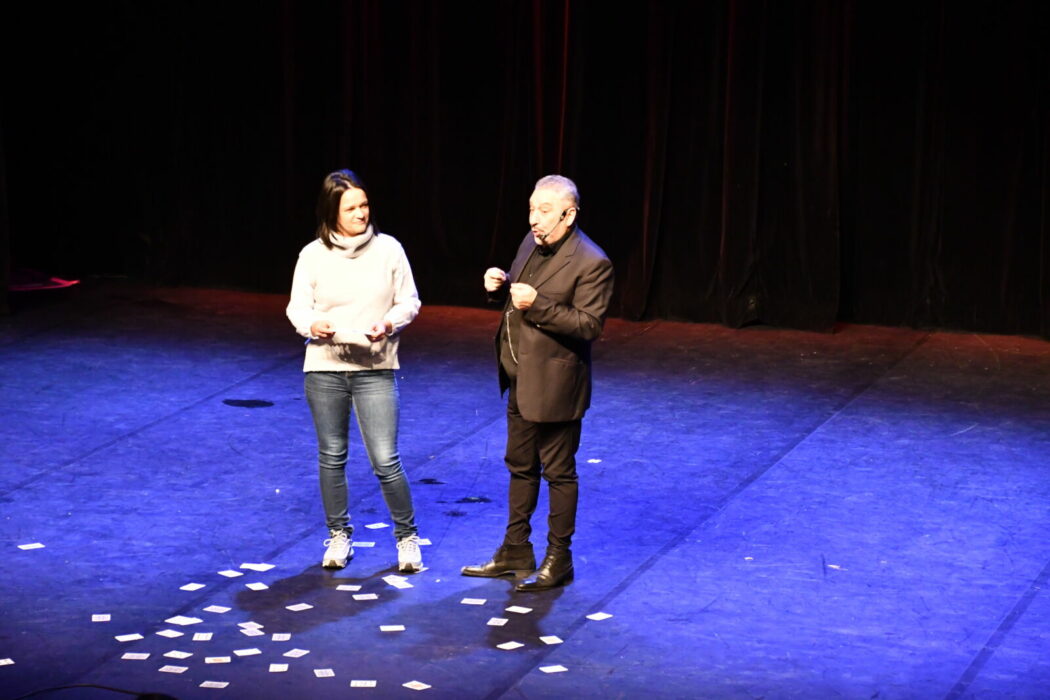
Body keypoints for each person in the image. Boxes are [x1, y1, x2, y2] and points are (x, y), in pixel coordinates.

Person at [462, 174, 613, 591]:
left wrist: (539, 305)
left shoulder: (591, 261)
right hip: (520, 378)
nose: (534, 219)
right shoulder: (531, 242)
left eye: (545, 211)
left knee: (559, 473)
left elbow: (589, 324)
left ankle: (558, 559)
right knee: (520, 466)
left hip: (557, 387)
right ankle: (515, 550)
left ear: (569, 214)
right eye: (531, 209)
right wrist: (499, 288)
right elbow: (518, 294)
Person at [286, 169, 423, 573]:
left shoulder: (389, 250)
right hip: (325, 367)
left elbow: (409, 301)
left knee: (385, 459)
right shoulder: (312, 255)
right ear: (332, 212)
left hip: (374, 367)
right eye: (352, 208)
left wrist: (389, 323)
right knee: (332, 456)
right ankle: (339, 535)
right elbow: (297, 308)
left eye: (364, 205)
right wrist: (312, 325)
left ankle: (407, 538)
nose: (362, 213)